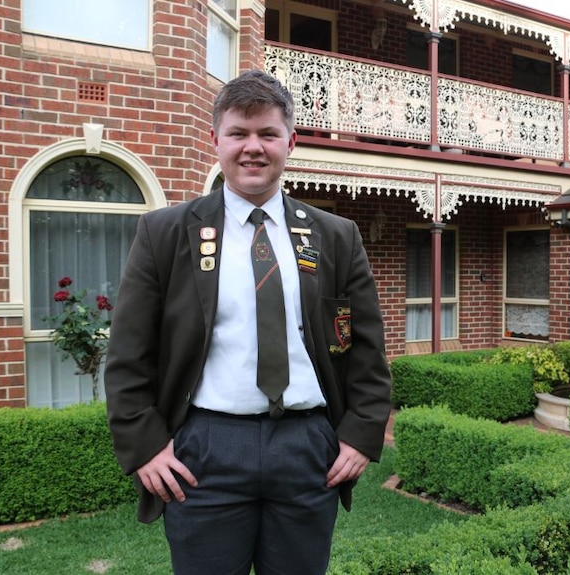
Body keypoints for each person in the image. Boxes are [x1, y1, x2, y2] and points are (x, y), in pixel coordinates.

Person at [104, 69, 392, 574]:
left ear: (291, 142)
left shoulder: (335, 236)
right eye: (238, 133)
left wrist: (361, 432)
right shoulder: (164, 233)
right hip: (205, 451)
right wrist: (145, 446)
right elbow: (129, 353)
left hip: (308, 450)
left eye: (268, 134)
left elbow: (366, 348)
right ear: (215, 139)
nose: (252, 148)